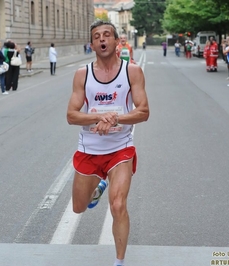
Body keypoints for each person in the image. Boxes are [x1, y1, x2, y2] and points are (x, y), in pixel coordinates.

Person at [66, 20, 149, 266]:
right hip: (89, 150)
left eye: (106, 35)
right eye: (96, 36)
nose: (102, 39)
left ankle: (119, 262)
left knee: (118, 204)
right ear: (92, 44)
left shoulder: (132, 71)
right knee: (79, 208)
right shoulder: (83, 74)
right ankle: (97, 189)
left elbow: (143, 111)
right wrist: (99, 116)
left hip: (120, 149)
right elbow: (71, 115)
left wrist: (116, 118)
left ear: (116, 42)